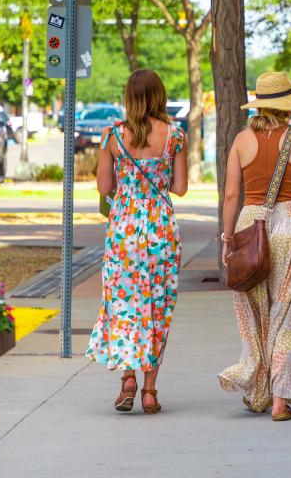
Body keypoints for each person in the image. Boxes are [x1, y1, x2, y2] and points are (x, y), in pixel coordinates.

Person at [219, 72, 291, 422]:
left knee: (254, 313)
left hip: (250, 225)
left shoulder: (241, 141)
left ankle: (255, 387)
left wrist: (228, 239)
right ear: (288, 106)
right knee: (288, 312)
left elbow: (230, 195)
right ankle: (279, 400)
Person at [86, 69, 189, 415]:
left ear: (129, 97)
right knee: (157, 308)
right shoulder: (175, 135)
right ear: (159, 95)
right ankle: (149, 392)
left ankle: (127, 378)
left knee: (125, 306)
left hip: (124, 229)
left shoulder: (113, 136)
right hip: (160, 228)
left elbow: (103, 189)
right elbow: (180, 187)